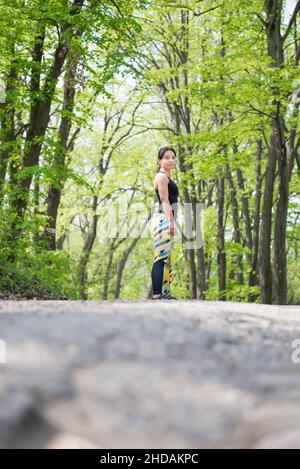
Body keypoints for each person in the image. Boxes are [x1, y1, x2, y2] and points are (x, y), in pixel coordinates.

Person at [151, 146, 179, 300]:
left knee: (167, 257)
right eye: (167, 157)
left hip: (166, 219)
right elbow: (164, 200)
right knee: (160, 257)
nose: (170, 160)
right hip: (162, 219)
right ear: (159, 160)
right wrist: (171, 222)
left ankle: (166, 294)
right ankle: (157, 294)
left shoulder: (167, 177)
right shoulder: (161, 177)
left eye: (173, 157)